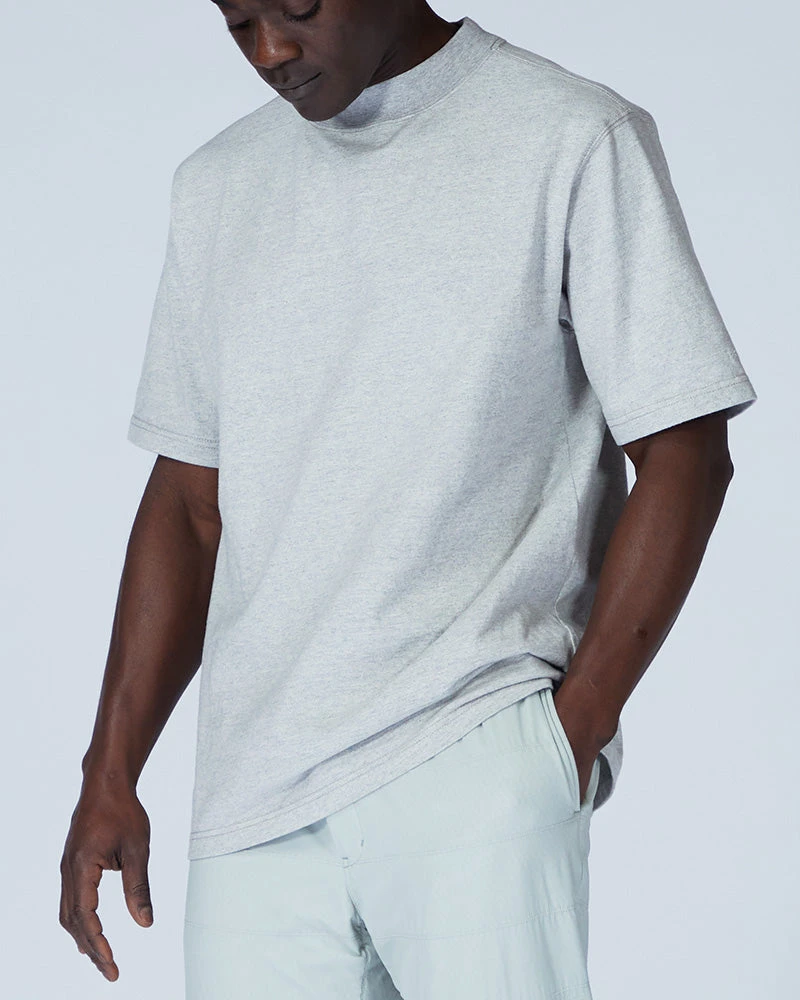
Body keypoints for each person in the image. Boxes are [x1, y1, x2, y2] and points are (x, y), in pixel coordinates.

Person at [59, 2, 758, 997]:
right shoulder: (218, 185)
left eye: (298, 7)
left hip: (470, 751)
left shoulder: (569, 136)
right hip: (252, 804)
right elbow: (188, 503)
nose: (270, 51)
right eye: (238, 22)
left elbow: (685, 446)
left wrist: (568, 734)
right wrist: (110, 768)